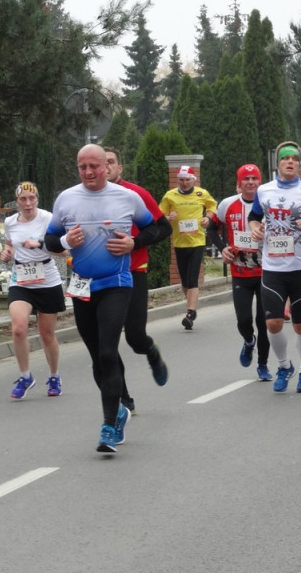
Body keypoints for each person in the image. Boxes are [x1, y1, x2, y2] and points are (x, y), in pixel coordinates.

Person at [45, 145, 156, 454]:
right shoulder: (66, 199)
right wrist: (67, 241)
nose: (89, 172)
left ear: (106, 167)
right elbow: (50, 239)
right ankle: (119, 410)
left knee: (108, 351)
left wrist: (134, 242)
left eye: (95, 165)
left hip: (117, 283)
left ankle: (109, 426)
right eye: (83, 167)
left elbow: (159, 228)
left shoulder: (126, 197)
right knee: (97, 357)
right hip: (82, 288)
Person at [248, 141, 301, 394]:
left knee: (300, 325)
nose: (291, 162)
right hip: (273, 267)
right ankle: (284, 366)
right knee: (273, 323)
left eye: (295, 159)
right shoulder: (264, 191)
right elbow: (253, 217)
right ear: (278, 163)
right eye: (286, 158)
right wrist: (255, 229)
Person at [104, 147, 173, 413]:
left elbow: (163, 227)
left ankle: (151, 352)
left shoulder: (135, 195)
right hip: (100, 277)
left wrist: (136, 243)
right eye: (102, 162)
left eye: (111, 162)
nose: (105, 167)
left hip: (133, 273)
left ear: (119, 168)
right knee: (106, 344)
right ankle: (123, 397)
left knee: (134, 338)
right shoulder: (82, 198)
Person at [0, 182, 67, 400]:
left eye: (32, 198)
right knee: (18, 328)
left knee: (46, 334)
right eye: (23, 199)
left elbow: (63, 249)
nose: (28, 203)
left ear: (37, 199)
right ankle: (25, 376)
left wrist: (40, 244)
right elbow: (9, 244)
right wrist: (7, 252)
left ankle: (54, 376)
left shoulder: (48, 219)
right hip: (21, 281)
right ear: (17, 202)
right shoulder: (10, 222)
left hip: (47, 280)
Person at [206, 163, 272, 381]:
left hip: (266, 272)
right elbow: (212, 227)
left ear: (260, 182)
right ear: (239, 183)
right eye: (246, 179)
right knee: (244, 319)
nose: (251, 183)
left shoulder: (268, 204)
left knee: (265, 322)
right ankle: (248, 340)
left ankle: (263, 365)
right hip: (240, 273)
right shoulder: (227, 205)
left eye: (255, 179)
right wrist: (223, 247)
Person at [159, 166, 217, 330]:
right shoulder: (170, 196)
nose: (185, 183)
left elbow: (213, 206)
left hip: (197, 241)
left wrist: (208, 217)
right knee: (185, 282)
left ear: (194, 179)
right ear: (178, 180)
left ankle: (190, 313)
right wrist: (168, 217)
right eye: (182, 180)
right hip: (179, 242)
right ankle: (191, 307)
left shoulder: (201, 193)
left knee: (192, 278)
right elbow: (158, 213)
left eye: (188, 180)